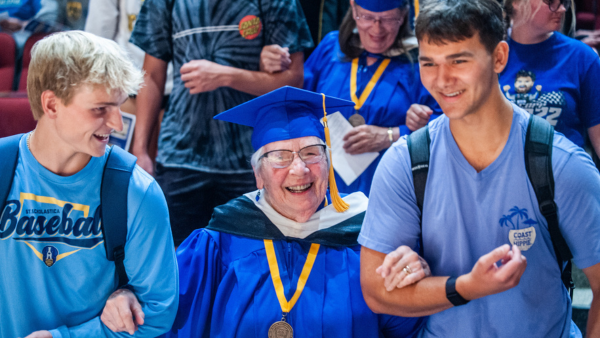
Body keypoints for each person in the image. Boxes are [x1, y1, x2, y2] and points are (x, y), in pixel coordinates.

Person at [100, 86, 429, 337]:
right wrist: (128, 293)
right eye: (280, 157)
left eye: (312, 153)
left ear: (329, 165)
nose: (299, 169)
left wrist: (412, 283)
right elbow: (166, 302)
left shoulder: (366, 238)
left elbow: (404, 330)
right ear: (258, 175)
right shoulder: (219, 241)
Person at [359, 0, 600, 337]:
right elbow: (376, 291)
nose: (442, 80)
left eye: (459, 60)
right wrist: (467, 287)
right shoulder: (405, 162)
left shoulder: (561, 165)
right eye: (429, 63)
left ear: (499, 57)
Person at [0, 31, 178, 337]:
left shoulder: (138, 192)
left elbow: (159, 310)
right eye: (100, 109)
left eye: (119, 106)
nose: (118, 124)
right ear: (51, 105)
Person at [129, 0, 314, 246]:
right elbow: (151, 75)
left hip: (251, 159)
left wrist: (226, 76)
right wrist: (140, 149)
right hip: (181, 157)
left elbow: (293, 79)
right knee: (179, 262)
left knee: (250, 265)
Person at [275, 0, 440, 196]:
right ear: (353, 10)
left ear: (402, 16)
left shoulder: (421, 62)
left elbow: (445, 126)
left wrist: (393, 134)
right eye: (367, 17)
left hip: (390, 187)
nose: (377, 29)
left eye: (387, 19)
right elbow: (298, 103)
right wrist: (275, 65)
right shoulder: (331, 47)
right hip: (323, 185)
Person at [500, 0, 600, 161]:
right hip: (503, 178)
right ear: (517, 3)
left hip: (564, 179)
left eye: (564, 2)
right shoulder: (489, 55)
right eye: (551, 2)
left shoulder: (583, 57)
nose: (561, 9)